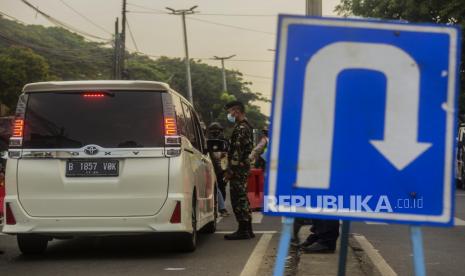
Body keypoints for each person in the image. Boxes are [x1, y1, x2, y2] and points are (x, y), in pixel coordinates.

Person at [223, 101, 254, 240]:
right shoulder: (246, 126)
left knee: (238, 198)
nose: (229, 115)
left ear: (236, 111)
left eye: (230, 112)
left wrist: (230, 170)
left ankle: (243, 230)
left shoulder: (241, 128)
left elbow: (237, 151)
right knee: (242, 197)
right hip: (242, 166)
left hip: (238, 168)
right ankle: (248, 229)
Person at [207, 122, 230, 217]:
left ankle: (221, 207)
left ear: (221, 131)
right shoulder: (207, 141)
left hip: (222, 168)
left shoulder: (225, 142)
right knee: (213, 189)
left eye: (217, 130)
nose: (215, 132)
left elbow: (227, 155)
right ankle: (219, 208)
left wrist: (226, 170)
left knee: (221, 187)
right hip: (210, 167)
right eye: (213, 130)